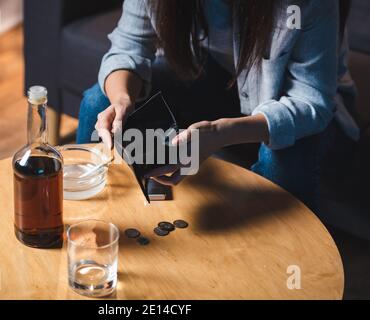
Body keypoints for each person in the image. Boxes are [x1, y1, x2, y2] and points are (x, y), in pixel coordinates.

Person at [76, 0, 357, 210]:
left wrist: (219, 133)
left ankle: (272, 270)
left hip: (300, 106)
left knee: (283, 160)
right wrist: (122, 99)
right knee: (98, 102)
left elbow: (312, 102)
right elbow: (129, 47)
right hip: (216, 79)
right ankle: (93, 229)